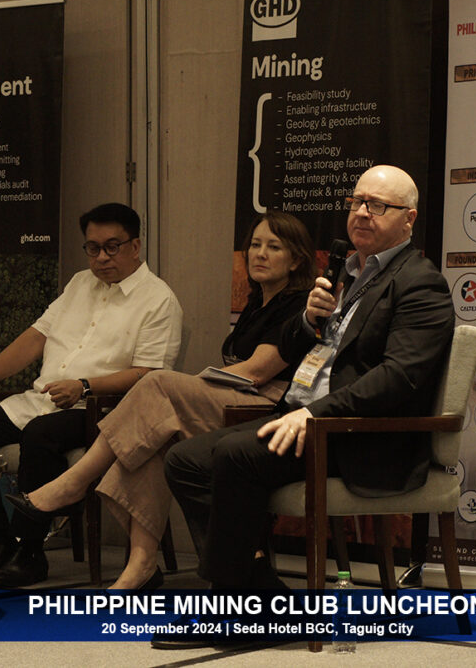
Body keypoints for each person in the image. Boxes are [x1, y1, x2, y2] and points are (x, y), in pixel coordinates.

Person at [163, 165, 455, 598]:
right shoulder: (346, 275)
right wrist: (307, 319)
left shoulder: (420, 283)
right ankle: (257, 587)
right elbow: (296, 350)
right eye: (357, 202)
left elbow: (398, 378)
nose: (362, 213)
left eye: (377, 206)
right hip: (303, 418)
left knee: (234, 454)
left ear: (408, 219)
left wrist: (314, 414)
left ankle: (232, 600)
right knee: (184, 460)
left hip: (356, 434)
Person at [6, 211, 317, 589]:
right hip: (234, 400)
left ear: (296, 260)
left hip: (269, 409)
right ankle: (141, 565)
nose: (260, 254)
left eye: (274, 247)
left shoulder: (299, 305)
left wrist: (190, 384)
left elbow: (258, 372)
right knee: (155, 440)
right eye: (255, 245)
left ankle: (74, 482)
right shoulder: (257, 302)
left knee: (157, 384)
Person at [0, 203, 183, 588]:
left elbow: (149, 375)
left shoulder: (158, 299)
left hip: (103, 410)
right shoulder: (78, 284)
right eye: (93, 248)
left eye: (112, 247)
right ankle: (3, 541)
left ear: (135, 246)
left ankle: (30, 552)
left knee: (40, 434)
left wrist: (85, 385)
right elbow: (34, 339)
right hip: (40, 402)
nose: (102, 257)